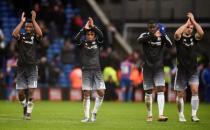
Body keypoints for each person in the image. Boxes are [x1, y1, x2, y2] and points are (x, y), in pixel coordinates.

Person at [137, 21, 173, 122]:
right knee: (148, 92)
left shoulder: (162, 36)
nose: (152, 29)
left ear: (157, 28)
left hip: (158, 68)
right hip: (147, 68)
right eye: (150, 27)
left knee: (161, 89)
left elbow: (170, 45)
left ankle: (161, 115)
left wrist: (164, 34)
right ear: (148, 28)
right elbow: (139, 41)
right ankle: (149, 114)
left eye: (154, 28)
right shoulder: (144, 35)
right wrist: (153, 36)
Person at [74, 17, 105, 122]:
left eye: (92, 34)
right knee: (86, 93)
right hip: (86, 70)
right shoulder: (82, 43)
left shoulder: (98, 42)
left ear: (94, 36)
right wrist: (84, 29)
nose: (90, 35)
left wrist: (93, 27)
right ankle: (86, 117)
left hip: (97, 70)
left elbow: (101, 35)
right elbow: (76, 39)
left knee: (101, 92)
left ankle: (94, 113)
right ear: (86, 35)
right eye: (88, 34)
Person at [12, 10, 43, 120]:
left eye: (30, 27)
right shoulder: (21, 36)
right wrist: (22, 22)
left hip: (32, 67)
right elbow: (14, 33)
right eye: (27, 27)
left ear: (33, 27)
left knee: (30, 91)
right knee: (20, 94)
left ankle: (28, 113)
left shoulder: (35, 37)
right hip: (21, 67)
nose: (28, 28)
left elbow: (40, 33)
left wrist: (34, 20)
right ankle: (25, 106)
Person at [174, 12, 204, 122]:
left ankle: (194, 115)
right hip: (181, 70)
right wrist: (186, 23)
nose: (190, 29)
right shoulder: (179, 39)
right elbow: (177, 33)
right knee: (180, 94)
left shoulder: (194, 39)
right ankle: (181, 114)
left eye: (191, 28)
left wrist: (193, 21)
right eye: (188, 27)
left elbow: (201, 33)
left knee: (195, 91)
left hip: (193, 70)